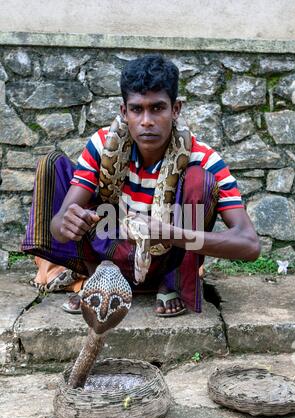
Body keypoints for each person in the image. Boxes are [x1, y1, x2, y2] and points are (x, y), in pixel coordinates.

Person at [22, 54, 260, 317]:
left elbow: (249, 245)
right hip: (107, 252)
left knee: (198, 179)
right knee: (51, 164)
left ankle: (173, 282)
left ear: (176, 109)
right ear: (124, 112)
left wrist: (170, 233)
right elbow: (58, 229)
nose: (147, 120)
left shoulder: (204, 158)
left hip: (166, 258)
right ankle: (94, 278)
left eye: (157, 108)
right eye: (137, 109)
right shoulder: (103, 145)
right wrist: (66, 223)